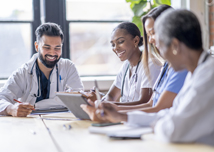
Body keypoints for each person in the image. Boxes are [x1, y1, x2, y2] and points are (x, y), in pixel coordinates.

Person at [95, 9, 214, 145]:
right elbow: (169, 114)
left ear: (175, 45)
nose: (159, 52)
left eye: (161, 46)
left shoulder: (208, 77)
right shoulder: (196, 71)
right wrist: (122, 116)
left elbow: (173, 129)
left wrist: (154, 124)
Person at [112, 5, 188, 113]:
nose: (151, 40)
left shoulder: (182, 68)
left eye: (153, 33)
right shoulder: (167, 66)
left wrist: (117, 113)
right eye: (148, 35)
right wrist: (113, 109)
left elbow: (158, 108)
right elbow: (150, 104)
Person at [81, 22, 161, 121]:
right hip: (122, 118)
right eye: (113, 44)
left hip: (137, 119)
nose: (115, 48)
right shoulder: (126, 66)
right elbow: (111, 96)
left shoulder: (151, 64)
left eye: (120, 42)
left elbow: (144, 102)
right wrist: (99, 102)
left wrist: (110, 106)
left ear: (135, 40)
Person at [0, 22, 83, 117]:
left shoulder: (68, 67)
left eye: (57, 48)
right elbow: (1, 98)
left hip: (62, 123)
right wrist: (11, 109)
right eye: (47, 47)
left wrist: (36, 105)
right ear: (37, 46)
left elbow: (78, 101)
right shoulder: (23, 72)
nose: (52, 53)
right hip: (30, 124)